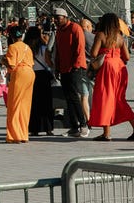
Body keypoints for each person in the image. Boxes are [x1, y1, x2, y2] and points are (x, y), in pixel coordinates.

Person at [87, 13, 134, 141]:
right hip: (119, 68)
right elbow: (127, 57)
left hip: (107, 68)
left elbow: (94, 53)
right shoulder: (120, 37)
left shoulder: (101, 35)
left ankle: (106, 133)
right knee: (119, 99)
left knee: (104, 98)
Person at [53, 8, 89, 137]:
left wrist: (76, 65)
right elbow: (58, 51)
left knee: (74, 96)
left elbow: (80, 48)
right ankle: (74, 127)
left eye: (58, 18)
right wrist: (57, 67)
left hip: (75, 68)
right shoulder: (59, 31)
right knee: (68, 98)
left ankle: (83, 125)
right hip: (64, 68)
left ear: (65, 17)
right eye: (55, 18)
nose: (56, 21)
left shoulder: (75, 28)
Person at [2, 28, 35, 143]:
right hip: (30, 73)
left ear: (11, 36)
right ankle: (23, 134)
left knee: (14, 104)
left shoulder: (12, 47)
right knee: (25, 105)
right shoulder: (27, 47)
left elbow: (11, 65)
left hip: (20, 74)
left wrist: (3, 61)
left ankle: (14, 135)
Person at [25, 26, 54, 137]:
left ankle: (34, 128)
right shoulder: (43, 48)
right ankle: (48, 128)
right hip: (43, 76)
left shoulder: (26, 49)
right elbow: (49, 63)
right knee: (46, 103)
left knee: (33, 103)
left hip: (31, 75)